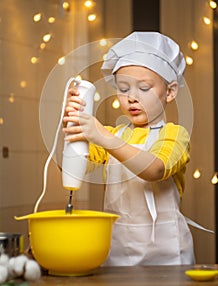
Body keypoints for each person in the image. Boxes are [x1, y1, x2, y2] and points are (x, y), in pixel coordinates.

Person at [62, 31, 195, 266]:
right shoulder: (113, 135)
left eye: (144, 88)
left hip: (168, 257)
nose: (131, 97)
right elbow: (72, 166)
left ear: (170, 92)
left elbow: (154, 170)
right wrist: (72, 124)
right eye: (123, 88)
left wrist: (102, 137)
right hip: (118, 252)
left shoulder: (174, 135)